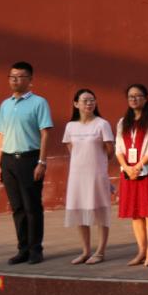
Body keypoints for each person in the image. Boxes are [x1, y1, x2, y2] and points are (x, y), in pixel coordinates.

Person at [0, 61, 53, 265]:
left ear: (30, 80)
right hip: (8, 161)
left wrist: (42, 162)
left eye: (20, 76)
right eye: (12, 76)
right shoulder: (5, 105)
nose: (15, 80)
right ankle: (22, 250)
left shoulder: (39, 103)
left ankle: (35, 250)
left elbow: (45, 133)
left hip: (29, 159)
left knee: (32, 207)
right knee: (17, 208)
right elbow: (1, 135)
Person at [62, 89, 114, 264]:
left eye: (92, 100)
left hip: (96, 175)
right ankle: (85, 251)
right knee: (80, 211)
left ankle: (100, 252)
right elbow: (71, 149)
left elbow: (110, 151)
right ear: (76, 104)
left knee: (100, 212)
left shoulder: (102, 124)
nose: (89, 103)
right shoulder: (70, 126)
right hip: (77, 175)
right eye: (85, 100)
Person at [115, 84, 148, 266]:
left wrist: (138, 165)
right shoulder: (122, 122)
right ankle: (141, 250)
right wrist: (127, 168)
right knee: (135, 213)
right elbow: (118, 148)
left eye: (137, 96)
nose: (134, 99)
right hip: (129, 173)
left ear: (146, 98)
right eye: (130, 96)